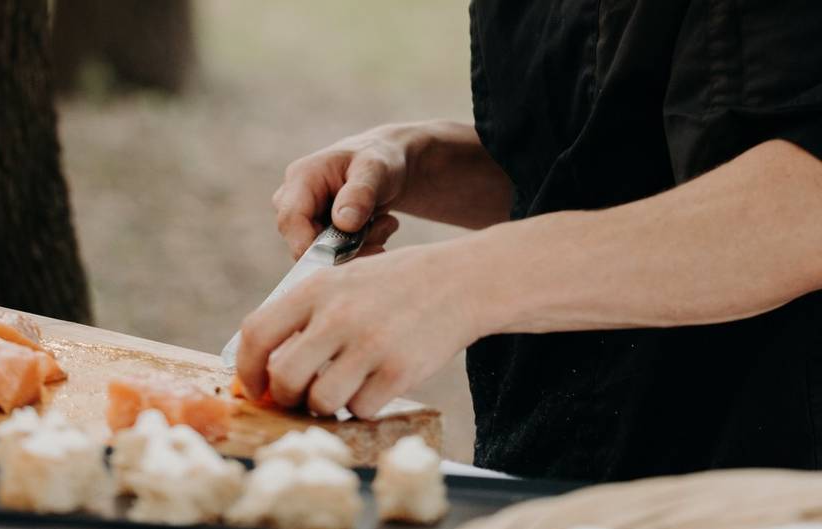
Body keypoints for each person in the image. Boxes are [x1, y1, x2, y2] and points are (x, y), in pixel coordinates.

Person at [235, 2, 822, 482]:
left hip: (763, 495)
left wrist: (462, 283)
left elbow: (804, 206)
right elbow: (620, 164)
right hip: (554, 464)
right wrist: (422, 161)